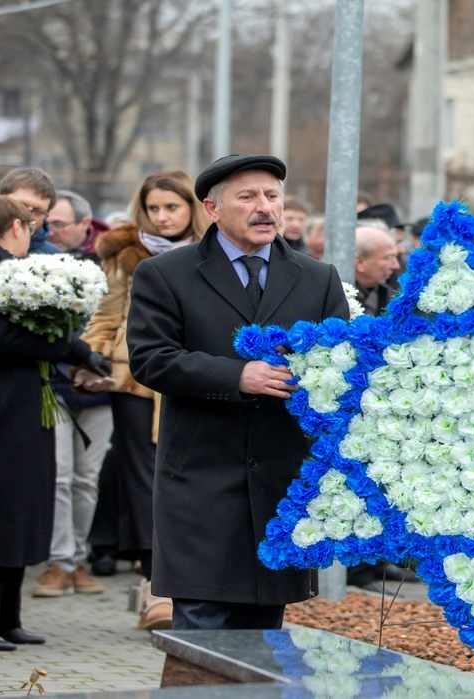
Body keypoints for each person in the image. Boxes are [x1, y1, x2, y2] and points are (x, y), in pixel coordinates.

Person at [126, 154, 349, 631]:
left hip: (280, 481)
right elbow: (151, 358)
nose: (264, 207)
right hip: (201, 479)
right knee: (200, 632)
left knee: (263, 637)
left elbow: (342, 366)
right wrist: (236, 376)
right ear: (212, 209)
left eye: (272, 196)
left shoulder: (318, 277)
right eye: (247, 197)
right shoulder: (166, 274)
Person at [82, 170, 210, 629]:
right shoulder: (123, 252)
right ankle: (154, 584)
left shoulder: (211, 253)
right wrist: (90, 358)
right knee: (140, 479)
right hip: (133, 379)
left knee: (183, 477)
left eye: (171, 207)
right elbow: (106, 315)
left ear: (190, 207)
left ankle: (178, 585)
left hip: (190, 379)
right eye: (153, 208)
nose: (162, 217)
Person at [0, 195, 107, 651]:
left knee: (18, 510)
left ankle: (6, 618)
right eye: (32, 227)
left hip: (20, 404)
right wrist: (73, 349)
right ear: (14, 226)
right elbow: (1, 335)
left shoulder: (5, 266)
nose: (37, 237)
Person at [32, 190, 114, 598]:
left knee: (87, 478)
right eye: (50, 223)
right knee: (59, 476)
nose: (53, 230)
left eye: (61, 223)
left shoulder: (111, 266)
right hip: (57, 386)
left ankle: (78, 558)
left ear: (86, 225)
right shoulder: (36, 264)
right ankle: (58, 563)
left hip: (101, 387)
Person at [0, 167, 59, 254]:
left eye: (37, 211)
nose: (26, 215)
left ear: (46, 216)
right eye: (20, 205)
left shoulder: (53, 259)